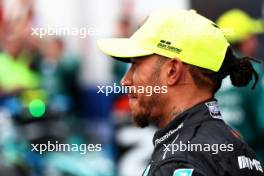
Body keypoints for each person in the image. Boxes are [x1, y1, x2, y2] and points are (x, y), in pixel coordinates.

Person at [98, 8, 264, 176]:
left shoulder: (179, 161)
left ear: (172, 71)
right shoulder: (237, 146)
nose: (125, 81)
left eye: (135, 65)